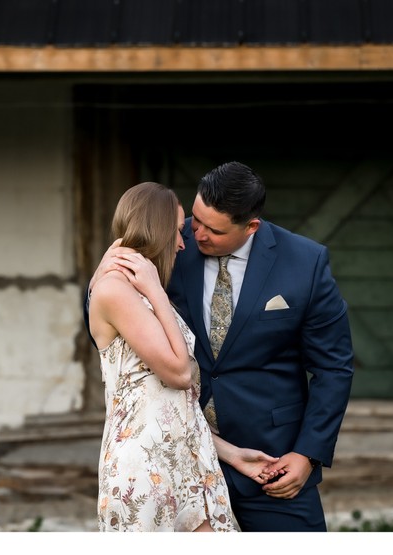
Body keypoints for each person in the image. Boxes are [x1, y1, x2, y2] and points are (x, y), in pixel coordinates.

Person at [90, 162, 354, 532]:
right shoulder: (170, 241)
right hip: (177, 460)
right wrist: (105, 268)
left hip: (269, 461)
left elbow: (333, 368)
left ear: (251, 227)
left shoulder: (305, 263)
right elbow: (112, 323)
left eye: (213, 229)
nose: (195, 234)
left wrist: (307, 454)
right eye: (195, 219)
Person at [87, 181, 280, 532]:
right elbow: (178, 374)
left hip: (186, 462)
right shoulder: (117, 288)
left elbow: (171, 403)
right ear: (158, 230)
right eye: (177, 231)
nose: (182, 242)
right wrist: (154, 290)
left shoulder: (138, 286)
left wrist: (232, 454)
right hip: (144, 469)